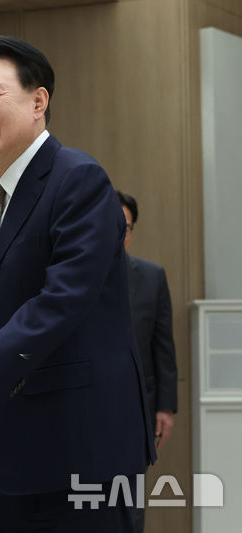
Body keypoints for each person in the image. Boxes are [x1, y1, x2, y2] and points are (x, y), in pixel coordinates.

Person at [0, 36, 155, 532]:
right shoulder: (1, 195)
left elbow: (64, 297)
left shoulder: (78, 178)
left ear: (38, 102)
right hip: (7, 452)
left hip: (74, 449)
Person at [117, 190, 178, 532]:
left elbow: (163, 347)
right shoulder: (73, 277)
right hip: (84, 409)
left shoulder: (152, 277)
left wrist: (165, 408)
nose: (118, 234)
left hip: (137, 408)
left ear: (132, 232)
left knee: (130, 503)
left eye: (125, 227)